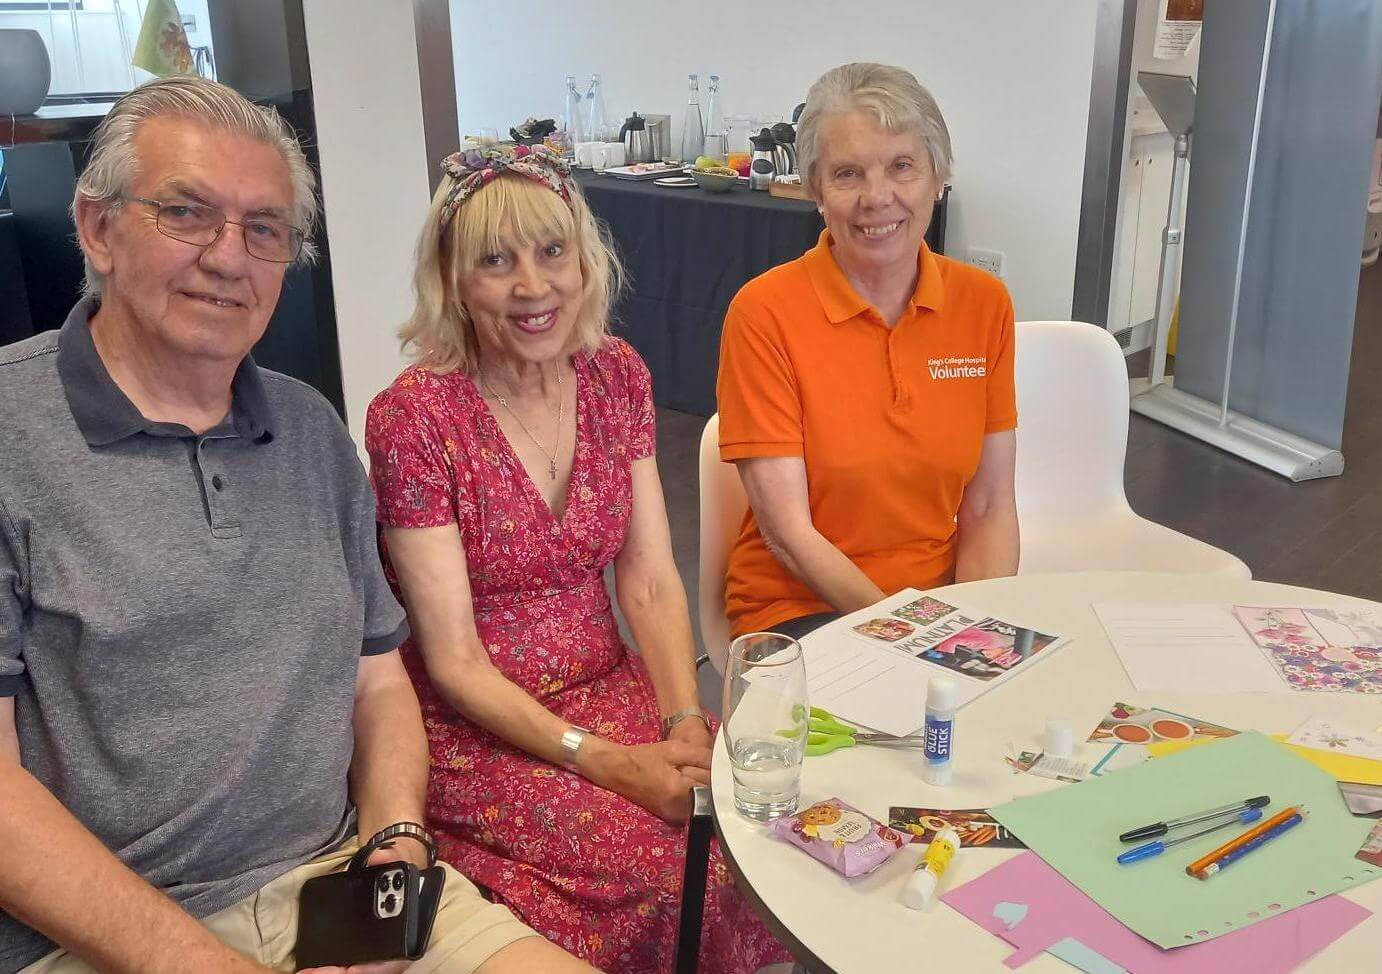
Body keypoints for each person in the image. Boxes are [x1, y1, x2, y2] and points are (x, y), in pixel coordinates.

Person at [0, 77, 591, 974]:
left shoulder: (311, 429)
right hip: (104, 934)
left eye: (264, 229)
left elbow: (380, 686)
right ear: (97, 228)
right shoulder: (13, 434)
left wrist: (395, 850)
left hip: (336, 887)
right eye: (186, 213)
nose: (229, 257)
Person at [364, 142, 787, 974]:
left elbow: (653, 579)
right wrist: (614, 767)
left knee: (760, 821)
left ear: (585, 261)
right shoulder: (412, 420)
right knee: (670, 871)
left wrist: (682, 723)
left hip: (610, 684)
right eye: (496, 261)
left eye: (552, 252)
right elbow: (453, 663)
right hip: (480, 727)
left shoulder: (615, 376)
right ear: (452, 280)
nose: (533, 286)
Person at [716, 62, 1021, 643]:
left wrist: (978, 625)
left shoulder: (984, 305)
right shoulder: (764, 314)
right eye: (848, 174)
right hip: (800, 610)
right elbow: (789, 535)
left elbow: (988, 507)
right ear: (815, 190)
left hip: (944, 607)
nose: (877, 198)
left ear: (938, 175)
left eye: (902, 166)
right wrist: (912, 639)